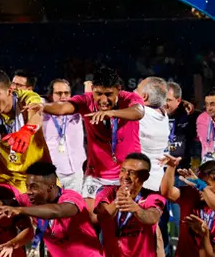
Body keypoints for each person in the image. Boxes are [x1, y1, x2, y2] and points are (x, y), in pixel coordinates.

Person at [38, 66, 144, 209]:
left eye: (109, 94)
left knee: (127, 222)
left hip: (126, 174)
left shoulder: (129, 98)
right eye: (99, 93)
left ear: (118, 89)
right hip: (96, 174)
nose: (104, 100)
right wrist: (42, 106)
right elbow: (63, 108)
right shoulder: (85, 101)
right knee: (91, 218)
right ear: (92, 88)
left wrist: (112, 113)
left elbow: (138, 112)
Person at [42, 79, 84, 193]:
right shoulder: (42, 112)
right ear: (50, 95)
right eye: (59, 93)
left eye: (66, 93)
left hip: (76, 171)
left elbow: (89, 100)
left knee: (74, 207)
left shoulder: (77, 110)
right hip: (53, 172)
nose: (63, 97)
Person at [136, 77, 171, 192]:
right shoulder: (163, 115)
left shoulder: (141, 115)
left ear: (144, 96)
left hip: (141, 183)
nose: (133, 93)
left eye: (137, 90)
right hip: (157, 181)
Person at [164, 81, 198, 169]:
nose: (164, 103)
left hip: (181, 171)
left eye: (168, 100)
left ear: (178, 100)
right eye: (162, 99)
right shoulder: (154, 115)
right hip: (159, 170)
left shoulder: (190, 115)